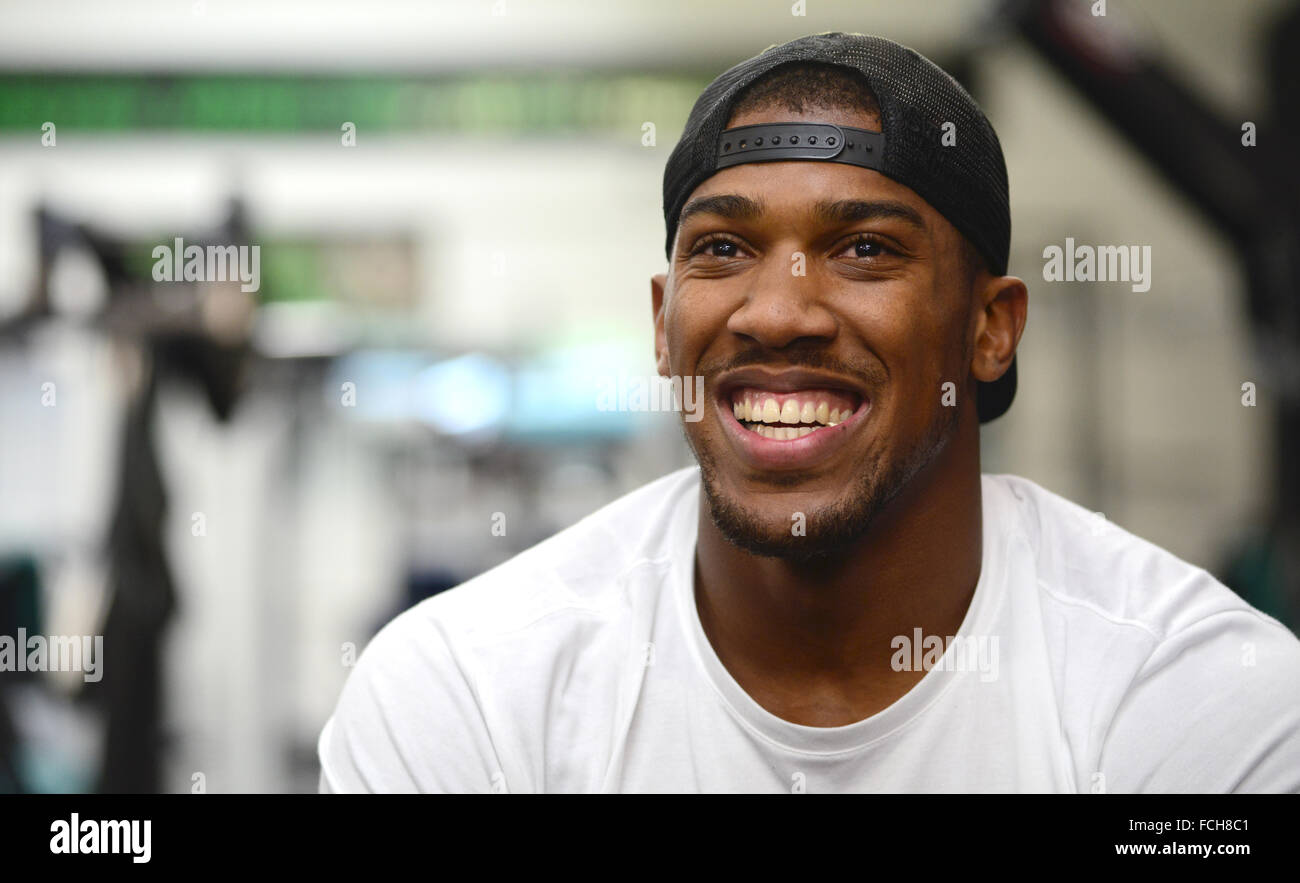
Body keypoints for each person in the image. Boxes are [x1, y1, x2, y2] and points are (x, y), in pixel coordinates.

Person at [317, 32, 1300, 793]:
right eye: (721, 251)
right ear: (663, 326)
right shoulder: (466, 692)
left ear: (990, 329)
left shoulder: (1193, 690)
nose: (777, 312)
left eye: (866, 249)